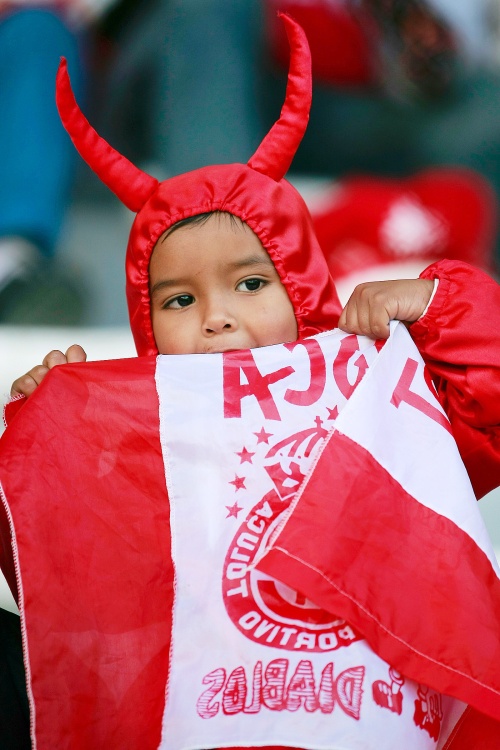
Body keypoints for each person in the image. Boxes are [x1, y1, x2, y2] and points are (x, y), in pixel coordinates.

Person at [3, 13, 500, 748]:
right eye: (178, 300)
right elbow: (67, 591)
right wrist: (57, 451)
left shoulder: (371, 397)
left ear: (302, 289)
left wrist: (433, 307)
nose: (215, 318)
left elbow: (487, 396)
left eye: (249, 284)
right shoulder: (138, 453)